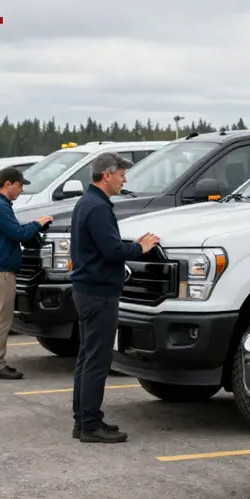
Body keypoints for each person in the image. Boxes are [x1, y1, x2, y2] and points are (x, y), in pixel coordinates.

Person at [70, 152, 159, 443]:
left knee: (86, 358)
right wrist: (141, 248)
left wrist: (127, 245)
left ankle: (83, 420)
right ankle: (90, 425)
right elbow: (112, 252)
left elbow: (103, 244)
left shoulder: (87, 203)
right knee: (97, 360)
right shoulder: (97, 207)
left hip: (87, 291)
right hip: (99, 294)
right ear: (106, 175)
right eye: (121, 174)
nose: (125, 179)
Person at [0, 167, 52, 379]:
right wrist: (38, 223)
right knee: (1, 320)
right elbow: (18, 233)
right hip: (1, 271)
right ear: (8, 184)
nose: (21, 191)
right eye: (20, 186)